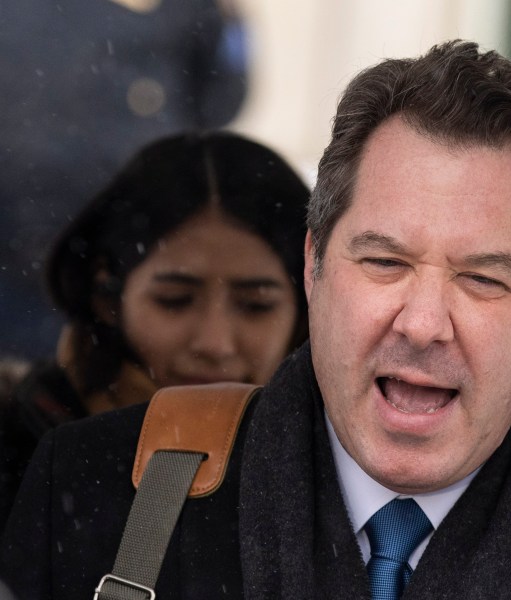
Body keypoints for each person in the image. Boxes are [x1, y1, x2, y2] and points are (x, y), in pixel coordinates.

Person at [1, 41, 511, 599]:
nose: (422, 322)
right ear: (313, 267)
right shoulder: (94, 494)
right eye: (384, 262)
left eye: (482, 278)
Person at [0, 130, 310, 526]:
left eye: (256, 306)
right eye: (174, 301)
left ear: (306, 310)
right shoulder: (19, 458)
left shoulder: (348, 476)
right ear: (107, 296)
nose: (214, 343)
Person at [0, 0, 249, 360]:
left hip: (125, 242)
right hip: (38, 241)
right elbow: (221, 95)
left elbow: (222, 97)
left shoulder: (186, 12)